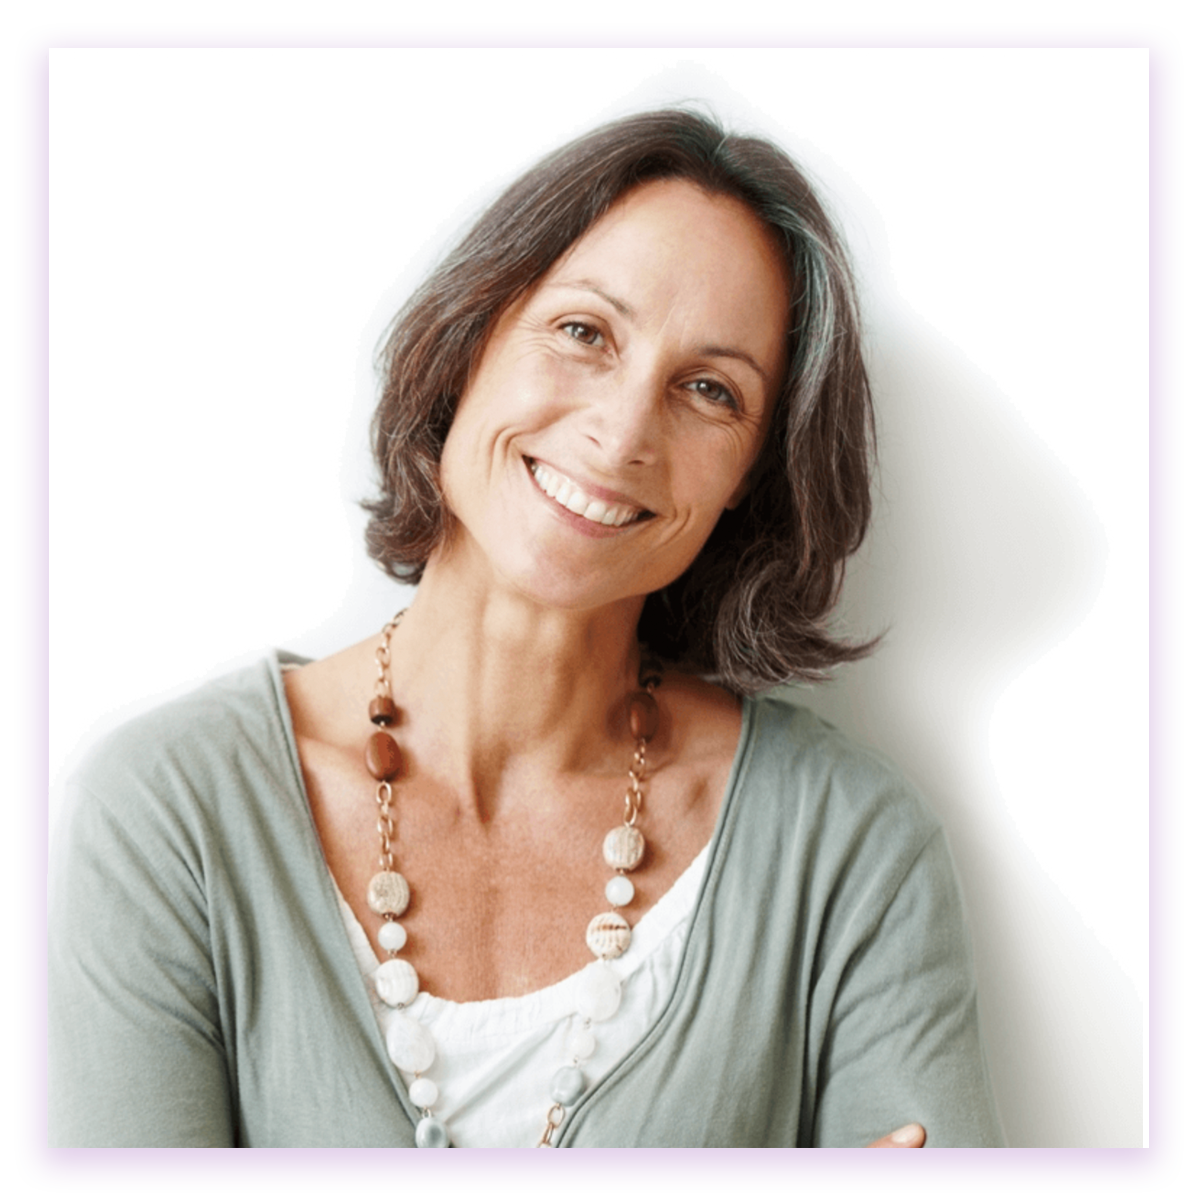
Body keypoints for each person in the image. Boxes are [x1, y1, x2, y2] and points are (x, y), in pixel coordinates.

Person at [47, 110, 1003, 1148]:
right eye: (585, 331)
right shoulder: (174, 809)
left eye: (709, 390)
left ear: (750, 481)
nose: (624, 430)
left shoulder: (851, 849)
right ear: (469, 343)